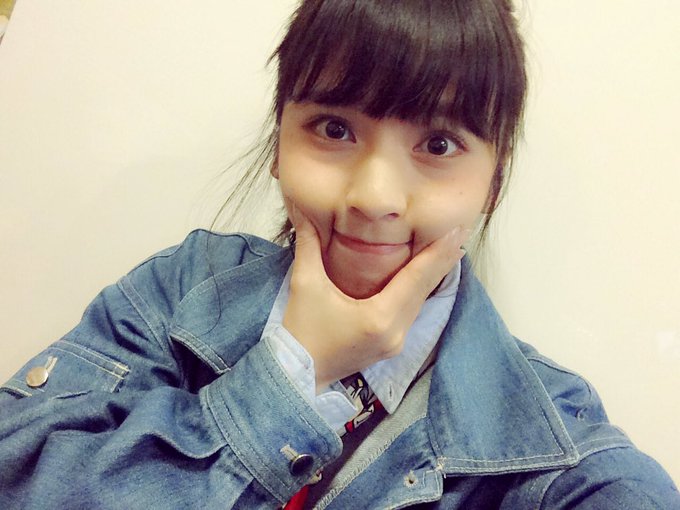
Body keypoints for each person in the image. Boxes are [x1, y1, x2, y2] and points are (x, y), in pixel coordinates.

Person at [1, 0, 678, 508]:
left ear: (493, 183)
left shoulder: (557, 449)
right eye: (334, 128)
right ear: (279, 144)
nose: (375, 197)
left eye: (439, 145)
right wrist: (296, 368)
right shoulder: (182, 289)